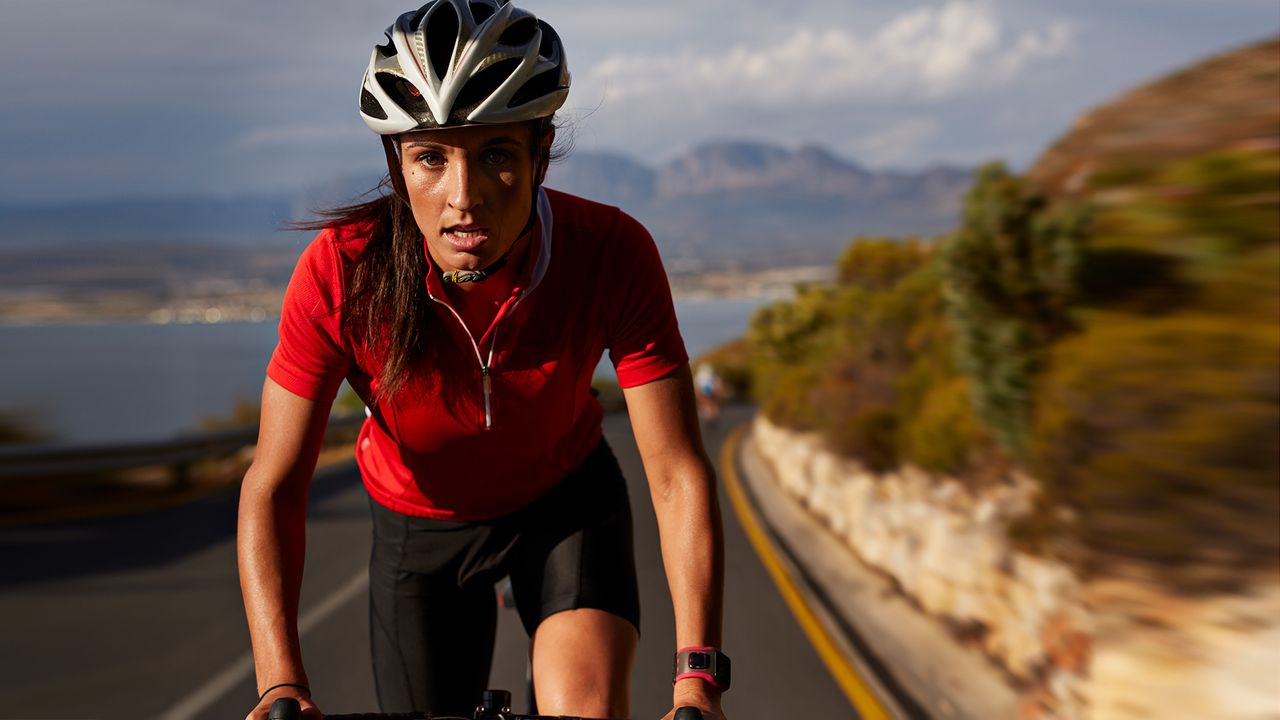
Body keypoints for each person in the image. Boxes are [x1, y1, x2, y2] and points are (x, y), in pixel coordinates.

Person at [237, 3, 728, 720]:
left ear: (539, 152)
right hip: (417, 522)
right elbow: (274, 485)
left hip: (565, 505)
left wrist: (697, 679)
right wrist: (281, 687)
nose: (461, 198)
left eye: (495, 154)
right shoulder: (340, 274)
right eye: (431, 157)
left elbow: (677, 472)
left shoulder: (612, 253)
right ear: (396, 165)